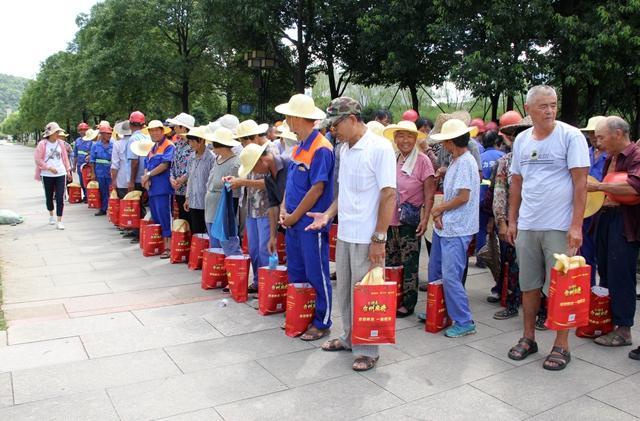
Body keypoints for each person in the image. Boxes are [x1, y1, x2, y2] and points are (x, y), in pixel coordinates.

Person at [308, 97, 396, 372]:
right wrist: (329, 214)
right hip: (345, 233)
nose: (333, 131)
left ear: (353, 119)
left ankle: (368, 350)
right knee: (345, 291)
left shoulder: (379, 148)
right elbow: (343, 192)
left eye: (336, 125)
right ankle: (349, 337)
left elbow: (389, 194)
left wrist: (379, 238)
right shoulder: (343, 149)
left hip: (368, 236)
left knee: (367, 294)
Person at [506, 85, 590, 371]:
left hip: (559, 225)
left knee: (560, 287)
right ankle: (528, 338)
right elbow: (516, 182)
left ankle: (561, 344)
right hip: (528, 225)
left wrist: (576, 226)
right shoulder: (521, 141)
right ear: (528, 110)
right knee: (528, 285)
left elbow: (581, 183)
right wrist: (513, 220)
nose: (550, 111)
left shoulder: (571, 136)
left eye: (553, 105)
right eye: (543, 106)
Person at [274, 93, 335, 341]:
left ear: (299, 118)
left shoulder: (321, 148)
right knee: (297, 271)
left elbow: (317, 188)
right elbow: (291, 183)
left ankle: (322, 320)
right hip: (293, 222)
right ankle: (300, 314)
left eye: (289, 116)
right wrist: (283, 209)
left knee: (316, 272)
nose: (286, 120)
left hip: (310, 223)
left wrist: (293, 215)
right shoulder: (299, 146)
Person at [587, 117, 640, 353]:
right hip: (605, 219)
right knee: (606, 271)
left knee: (621, 274)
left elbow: (633, 187)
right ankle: (606, 321)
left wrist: (599, 187)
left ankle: (623, 329)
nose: (597, 142)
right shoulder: (611, 157)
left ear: (618, 133)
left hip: (624, 222)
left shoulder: (635, 155)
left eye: (601, 137)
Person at [426, 119, 480, 337]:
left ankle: (464, 320)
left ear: (450, 142)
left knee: (450, 276)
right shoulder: (456, 161)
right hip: (447, 225)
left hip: (458, 228)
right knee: (436, 270)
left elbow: (463, 197)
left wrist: (439, 210)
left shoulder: (466, 162)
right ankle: (438, 308)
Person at [382, 120, 435, 317]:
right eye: (401, 136)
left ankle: (408, 302)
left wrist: (425, 218)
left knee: (410, 262)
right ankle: (391, 296)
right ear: (395, 139)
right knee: (391, 261)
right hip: (390, 218)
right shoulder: (392, 158)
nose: (405, 140)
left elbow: (429, 193)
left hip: (410, 220)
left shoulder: (423, 161)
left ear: (415, 139)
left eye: (409, 136)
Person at [229, 119, 279, 292]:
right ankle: (259, 282)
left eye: (246, 140)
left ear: (256, 136)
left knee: (267, 248)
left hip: (267, 208)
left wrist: (242, 182)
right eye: (242, 141)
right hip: (251, 206)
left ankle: (269, 286)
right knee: (254, 249)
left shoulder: (271, 150)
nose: (243, 144)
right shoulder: (249, 150)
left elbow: (271, 183)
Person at [491, 115, 532, 320]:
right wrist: (502, 221)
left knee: (539, 268)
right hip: (515, 222)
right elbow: (500, 192)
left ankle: (542, 311)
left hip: (538, 223)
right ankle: (512, 304)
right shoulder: (506, 162)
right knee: (513, 266)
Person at [204, 127, 243, 256]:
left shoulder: (235, 163)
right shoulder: (217, 159)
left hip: (223, 207)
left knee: (227, 240)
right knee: (214, 241)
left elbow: (234, 189)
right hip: (211, 205)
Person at [580, 116, 607, 286]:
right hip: (585, 209)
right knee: (585, 255)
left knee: (604, 256)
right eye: (590, 133)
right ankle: (587, 291)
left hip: (604, 210)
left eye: (596, 134)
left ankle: (604, 296)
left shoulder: (612, 157)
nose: (593, 137)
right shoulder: (585, 153)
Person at [141, 120, 175, 259]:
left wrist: (148, 175)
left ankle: (169, 247)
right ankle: (161, 244)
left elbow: (165, 165)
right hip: (153, 189)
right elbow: (146, 165)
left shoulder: (168, 146)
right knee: (156, 217)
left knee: (165, 216)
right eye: (151, 130)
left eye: (157, 130)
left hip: (164, 188)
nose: (154, 133)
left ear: (163, 131)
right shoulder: (152, 148)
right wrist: (145, 177)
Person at [34, 122, 72, 230]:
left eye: (58, 132)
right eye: (56, 132)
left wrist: (68, 170)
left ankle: (59, 220)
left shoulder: (61, 143)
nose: (58, 134)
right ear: (50, 133)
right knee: (49, 196)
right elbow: (38, 160)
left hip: (61, 173)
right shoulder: (42, 144)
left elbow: (65, 158)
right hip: (47, 174)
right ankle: (51, 215)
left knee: (60, 197)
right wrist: (49, 167)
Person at [477, 131, 505, 268]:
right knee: (500, 231)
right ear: (497, 143)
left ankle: (481, 258)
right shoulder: (503, 157)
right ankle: (499, 258)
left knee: (481, 230)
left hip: (481, 199)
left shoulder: (479, 157)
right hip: (499, 201)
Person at [184, 126, 215, 234]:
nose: (190, 144)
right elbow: (190, 179)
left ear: (201, 140)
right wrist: (187, 198)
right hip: (193, 200)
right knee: (196, 231)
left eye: (192, 141)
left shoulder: (212, 158)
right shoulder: (191, 157)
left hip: (206, 201)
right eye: (189, 141)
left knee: (207, 232)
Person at [124, 111, 149, 242]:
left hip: (137, 178)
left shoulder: (133, 139)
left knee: (137, 206)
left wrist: (131, 181)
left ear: (130, 124)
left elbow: (134, 161)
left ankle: (139, 232)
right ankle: (141, 231)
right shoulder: (147, 137)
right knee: (143, 205)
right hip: (146, 177)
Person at [168, 113, 196, 224]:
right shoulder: (177, 144)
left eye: (176, 125)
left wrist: (183, 179)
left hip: (190, 190)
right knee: (182, 220)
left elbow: (194, 167)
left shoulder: (194, 145)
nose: (174, 128)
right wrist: (172, 178)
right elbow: (173, 165)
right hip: (178, 190)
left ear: (183, 128)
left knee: (191, 220)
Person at [90, 123, 114, 216]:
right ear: (102, 134)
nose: (109, 135)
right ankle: (103, 208)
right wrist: (93, 173)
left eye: (110, 134)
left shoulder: (113, 145)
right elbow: (92, 161)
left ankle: (111, 208)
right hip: (100, 171)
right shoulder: (95, 146)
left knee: (112, 191)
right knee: (102, 191)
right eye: (107, 134)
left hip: (110, 171)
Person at [111, 121, 133, 199]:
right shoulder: (137, 142)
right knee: (137, 206)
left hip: (122, 180)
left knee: (124, 206)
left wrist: (114, 180)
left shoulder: (117, 144)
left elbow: (115, 165)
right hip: (136, 179)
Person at [73, 122, 92, 201]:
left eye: (84, 130)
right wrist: (74, 165)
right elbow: (75, 154)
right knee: (82, 181)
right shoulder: (77, 141)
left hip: (88, 165)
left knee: (88, 180)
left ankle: (90, 196)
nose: (82, 132)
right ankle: (85, 195)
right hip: (80, 165)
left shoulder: (90, 140)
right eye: (80, 130)